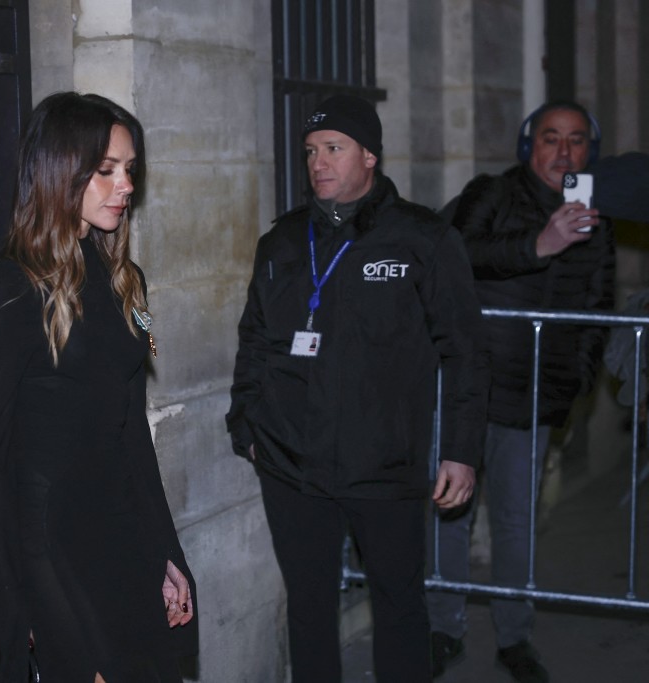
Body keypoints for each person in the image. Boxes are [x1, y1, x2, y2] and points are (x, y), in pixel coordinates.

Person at [226, 95, 488, 682]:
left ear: (369, 155)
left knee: (399, 606)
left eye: (334, 149)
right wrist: (247, 424)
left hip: (385, 465)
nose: (319, 162)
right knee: (310, 606)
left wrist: (462, 451)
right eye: (312, 152)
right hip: (292, 464)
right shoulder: (285, 242)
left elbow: (466, 352)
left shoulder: (422, 239)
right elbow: (256, 340)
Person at [0, 92, 198, 682]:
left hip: (122, 536)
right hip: (51, 546)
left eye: (130, 171)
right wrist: (13, 602)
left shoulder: (127, 281)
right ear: (60, 173)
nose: (125, 186)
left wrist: (166, 553)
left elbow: (132, 434)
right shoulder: (10, 290)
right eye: (106, 171)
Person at [428, 101, 615, 682]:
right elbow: (456, 253)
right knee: (446, 515)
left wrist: (575, 381)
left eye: (576, 141)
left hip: (534, 397)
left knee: (515, 523)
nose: (563, 152)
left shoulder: (594, 222)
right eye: (550, 138)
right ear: (528, 145)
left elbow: (598, 312)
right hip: (467, 387)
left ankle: (514, 638)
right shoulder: (492, 192)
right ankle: (442, 630)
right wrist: (540, 243)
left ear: (590, 153)